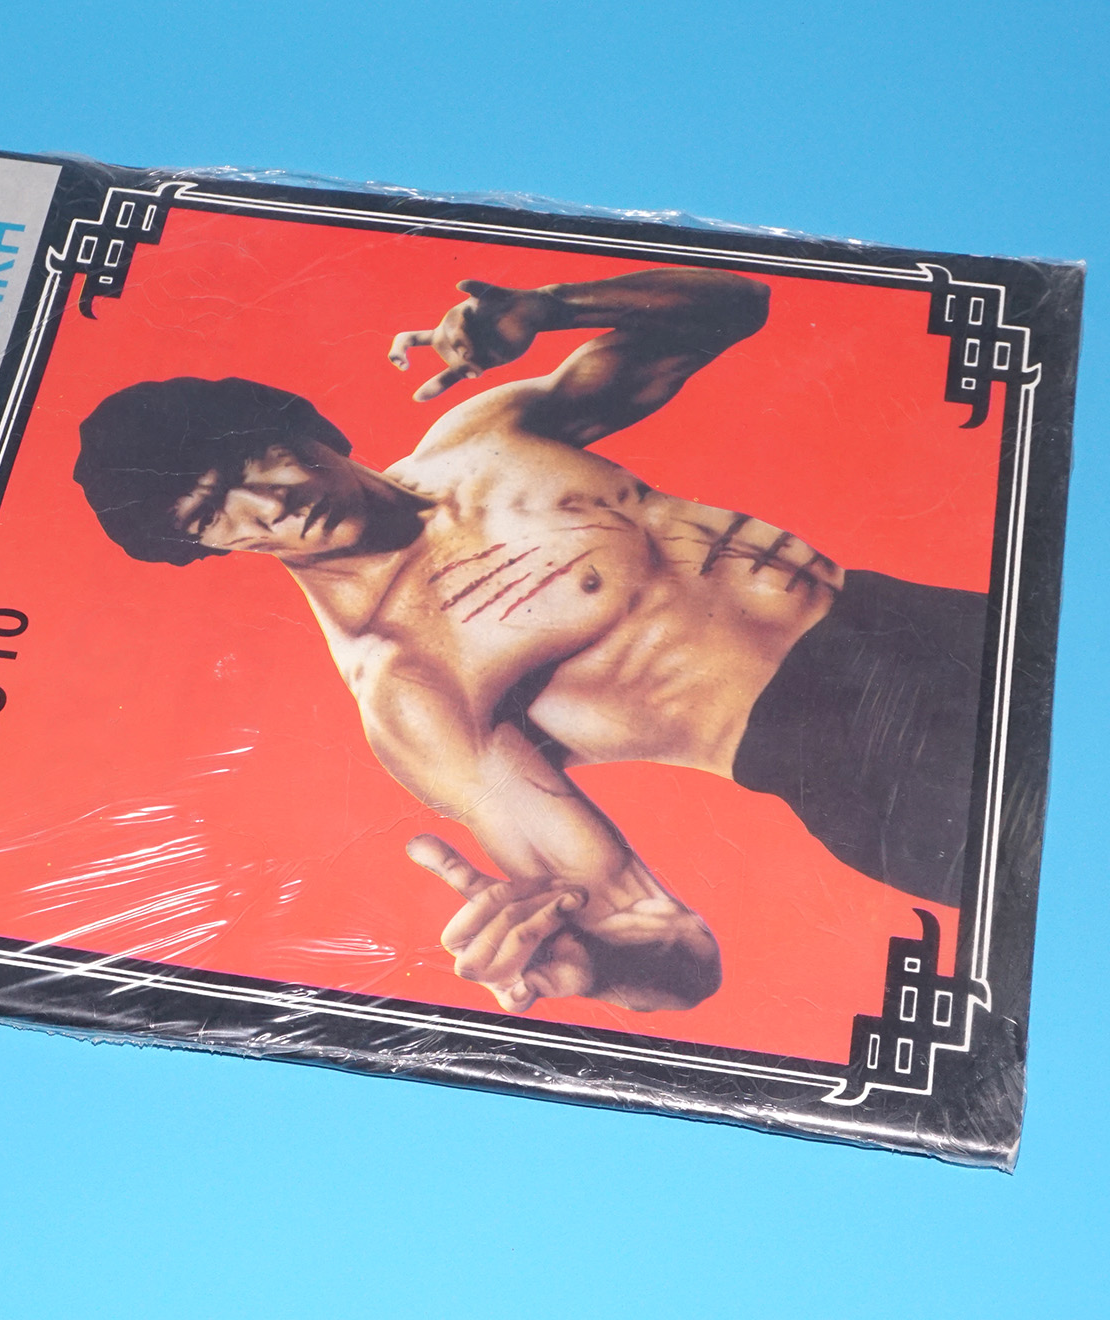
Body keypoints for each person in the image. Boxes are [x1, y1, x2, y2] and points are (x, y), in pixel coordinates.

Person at [74, 268, 986, 1015]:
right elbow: (663, 941)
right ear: (205, 547)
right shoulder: (408, 681)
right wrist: (595, 965)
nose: (268, 506)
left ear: (295, 424)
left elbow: (736, 304)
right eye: (214, 514)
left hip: (935, 622)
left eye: (249, 462)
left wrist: (553, 308)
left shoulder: (485, 435)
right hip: (879, 763)